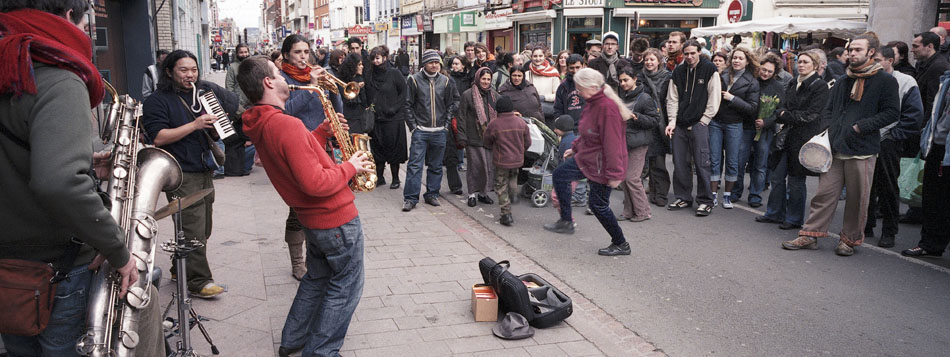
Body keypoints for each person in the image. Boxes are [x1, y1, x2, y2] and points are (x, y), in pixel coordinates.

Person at [0, 2, 139, 354]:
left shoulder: (8, 63)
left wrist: (78, 162)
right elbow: (59, 183)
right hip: (56, 271)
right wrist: (118, 251)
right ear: (66, 16)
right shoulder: (56, 74)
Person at [237, 55, 373, 357]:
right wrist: (351, 167)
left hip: (313, 220)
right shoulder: (286, 124)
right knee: (346, 286)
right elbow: (314, 183)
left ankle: (293, 339)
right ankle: (322, 351)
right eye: (279, 73)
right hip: (334, 218)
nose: (288, 79)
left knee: (318, 277)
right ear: (268, 82)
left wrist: (321, 133)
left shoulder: (266, 121)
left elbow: (293, 154)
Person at [781, 34, 899, 256]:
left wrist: (861, 126)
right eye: (850, 49)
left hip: (862, 150)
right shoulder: (843, 80)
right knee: (823, 195)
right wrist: (829, 129)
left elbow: (892, 113)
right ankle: (810, 234)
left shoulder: (885, 81)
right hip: (835, 148)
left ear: (871, 52)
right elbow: (828, 110)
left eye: (857, 50)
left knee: (857, 199)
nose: (852, 53)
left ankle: (849, 240)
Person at [142, 49, 235, 297]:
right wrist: (194, 124)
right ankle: (198, 281)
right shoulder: (156, 101)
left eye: (193, 70)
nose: (190, 75)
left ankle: (178, 267)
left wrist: (217, 127)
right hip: (179, 171)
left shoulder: (203, 95)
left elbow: (214, 133)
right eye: (183, 70)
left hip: (203, 167)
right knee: (193, 227)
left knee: (203, 227)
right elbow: (158, 137)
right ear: (169, 72)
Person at [543, 68, 633, 256]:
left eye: (580, 88)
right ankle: (566, 221)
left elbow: (613, 144)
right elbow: (587, 132)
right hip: (587, 158)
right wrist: (574, 147)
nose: (577, 92)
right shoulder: (592, 103)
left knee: (598, 205)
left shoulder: (607, 108)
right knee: (560, 175)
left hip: (601, 165)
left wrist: (616, 174)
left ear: (592, 87)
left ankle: (621, 243)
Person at [278, 34, 343, 280]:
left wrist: (333, 91)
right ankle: (298, 262)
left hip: (323, 146)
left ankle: (317, 258)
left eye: (306, 52)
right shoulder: (281, 80)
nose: (304, 57)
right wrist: (311, 87)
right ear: (286, 55)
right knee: (299, 208)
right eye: (298, 52)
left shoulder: (316, 75)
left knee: (323, 205)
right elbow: (286, 111)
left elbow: (335, 108)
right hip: (298, 149)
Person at [755, 50, 829, 231]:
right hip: (786, 137)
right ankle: (774, 213)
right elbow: (782, 108)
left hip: (803, 138)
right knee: (778, 177)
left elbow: (812, 115)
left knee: (796, 181)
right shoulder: (792, 82)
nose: (801, 65)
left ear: (815, 65)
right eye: (799, 61)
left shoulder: (819, 86)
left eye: (805, 62)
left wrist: (786, 115)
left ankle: (794, 218)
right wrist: (784, 114)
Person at [865, 47, 924, 247]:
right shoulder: (868, 78)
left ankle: (889, 231)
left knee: (888, 186)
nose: (874, 63)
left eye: (879, 60)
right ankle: (866, 224)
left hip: (889, 142)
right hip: (867, 140)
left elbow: (914, 116)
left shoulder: (906, 82)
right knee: (866, 185)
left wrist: (893, 136)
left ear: (890, 60)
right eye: (873, 59)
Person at [665, 40, 721, 217]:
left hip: (699, 123)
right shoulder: (678, 72)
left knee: (702, 163)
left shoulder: (710, 69)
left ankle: (706, 200)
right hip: (680, 124)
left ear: (699, 52)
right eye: (686, 53)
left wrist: (705, 120)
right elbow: (672, 98)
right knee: (680, 163)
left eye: (693, 53)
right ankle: (683, 197)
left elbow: (714, 96)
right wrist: (672, 121)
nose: (689, 57)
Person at [402, 50, 460, 211]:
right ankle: (411, 198)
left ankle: (432, 194)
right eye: (431, 62)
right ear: (424, 64)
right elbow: (407, 105)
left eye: (437, 62)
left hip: (440, 130)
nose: (434, 65)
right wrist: (413, 127)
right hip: (421, 130)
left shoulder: (445, 81)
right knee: (415, 165)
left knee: (435, 165)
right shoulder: (414, 80)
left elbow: (453, 103)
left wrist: (446, 124)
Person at [709, 47, 760, 209]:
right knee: (714, 159)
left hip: (735, 124)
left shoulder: (752, 81)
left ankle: (727, 196)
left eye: (741, 58)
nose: (737, 61)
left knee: (733, 161)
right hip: (716, 122)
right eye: (735, 58)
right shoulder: (721, 75)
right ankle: (712, 195)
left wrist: (732, 99)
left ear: (747, 61)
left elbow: (752, 108)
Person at [733, 53, 785, 208]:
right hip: (746, 126)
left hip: (765, 130)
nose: (765, 73)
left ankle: (755, 195)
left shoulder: (778, 87)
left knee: (760, 164)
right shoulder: (751, 81)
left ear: (774, 73)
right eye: (764, 70)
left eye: (769, 72)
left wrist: (766, 121)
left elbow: (780, 109)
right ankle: (736, 191)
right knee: (740, 161)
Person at [617, 67, 659, 222]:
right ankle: (628, 210)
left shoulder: (645, 98)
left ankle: (643, 211)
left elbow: (655, 120)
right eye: (620, 81)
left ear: (635, 79)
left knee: (632, 178)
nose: (623, 83)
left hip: (639, 143)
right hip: (624, 142)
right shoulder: (623, 96)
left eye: (626, 80)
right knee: (624, 178)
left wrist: (637, 117)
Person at [483, 96, 532, 226]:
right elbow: (528, 142)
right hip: (517, 159)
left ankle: (506, 214)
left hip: (501, 161)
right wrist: (521, 151)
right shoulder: (521, 122)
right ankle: (513, 193)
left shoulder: (494, 124)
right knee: (513, 177)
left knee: (501, 185)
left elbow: (487, 141)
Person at [367, 46, 409, 190]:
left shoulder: (394, 73)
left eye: (378, 58)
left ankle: (396, 178)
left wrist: (395, 108)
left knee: (393, 149)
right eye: (373, 58)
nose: (375, 61)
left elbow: (404, 92)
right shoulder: (370, 74)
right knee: (377, 148)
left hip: (393, 118)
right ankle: (380, 177)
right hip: (377, 119)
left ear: (385, 57)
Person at [457, 67, 499, 207]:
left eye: (488, 79)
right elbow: (461, 116)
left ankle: (483, 193)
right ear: (477, 79)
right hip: (473, 137)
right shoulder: (468, 95)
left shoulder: (494, 95)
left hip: (490, 138)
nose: (486, 82)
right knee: (475, 167)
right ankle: (471, 194)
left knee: (488, 167)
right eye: (483, 79)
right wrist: (462, 136)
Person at [638, 48, 672, 207]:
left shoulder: (667, 78)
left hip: (660, 122)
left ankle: (661, 193)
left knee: (658, 160)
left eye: (652, 59)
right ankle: (652, 191)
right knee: (647, 159)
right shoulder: (639, 77)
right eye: (646, 60)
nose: (649, 62)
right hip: (644, 121)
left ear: (659, 61)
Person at [224, 43, 255, 177]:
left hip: (253, 105)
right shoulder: (232, 67)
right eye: (241, 52)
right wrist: (235, 106)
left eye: (245, 52)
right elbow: (229, 87)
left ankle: (246, 165)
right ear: (237, 54)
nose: (243, 54)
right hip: (238, 107)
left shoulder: (253, 65)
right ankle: (238, 166)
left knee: (252, 137)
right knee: (242, 137)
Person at [338, 53, 372, 134]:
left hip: (359, 117)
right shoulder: (343, 80)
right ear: (353, 66)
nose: (362, 66)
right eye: (359, 64)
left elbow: (365, 100)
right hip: (349, 117)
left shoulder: (360, 78)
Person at [553, 54, 587, 130]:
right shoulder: (563, 86)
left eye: (578, 67)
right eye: (572, 68)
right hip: (570, 130)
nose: (575, 71)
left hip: (588, 127)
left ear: (583, 66)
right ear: (567, 68)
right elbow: (558, 109)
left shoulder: (591, 83)